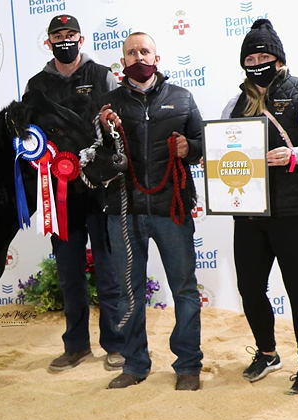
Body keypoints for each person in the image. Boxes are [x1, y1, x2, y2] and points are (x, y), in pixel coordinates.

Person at [222, 19, 298, 394]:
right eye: (251, 56)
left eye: (264, 55)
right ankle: (267, 352)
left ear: (278, 58)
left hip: (295, 213)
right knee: (250, 288)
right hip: (250, 213)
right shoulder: (235, 102)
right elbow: (224, 149)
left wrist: (296, 155)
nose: (257, 61)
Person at [98, 32, 204, 391]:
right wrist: (104, 132)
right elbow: (93, 156)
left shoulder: (183, 98)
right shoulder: (107, 104)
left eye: (145, 51)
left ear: (157, 58)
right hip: (124, 212)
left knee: (184, 289)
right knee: (129, 291)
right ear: (123, 61)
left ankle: (188, 365)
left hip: (171, 209)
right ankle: (134, 363)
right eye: (131, 52)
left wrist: (189, 148)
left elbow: (203, 148)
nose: (138, 57)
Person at [25, 14, 125, 372]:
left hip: (101, 189)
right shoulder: (36, 85)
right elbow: (28, 136)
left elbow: (120, 123)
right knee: (69, 272)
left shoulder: (103, 76)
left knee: (109, 269)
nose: (64, 40)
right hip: (59, 192)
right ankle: (76, 346)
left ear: (80, 39)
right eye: (57, 35)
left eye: (70, 34)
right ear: (48, 42)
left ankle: (115, 344)